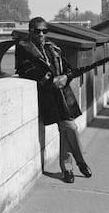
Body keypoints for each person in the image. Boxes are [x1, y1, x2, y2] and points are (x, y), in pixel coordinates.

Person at [15, 17, 92, 183]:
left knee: (65, 131)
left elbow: (69, 68)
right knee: (70, 127)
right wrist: (50, 80)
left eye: (44, 31)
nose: (41, 34)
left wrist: (65, 76)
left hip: (64, 95)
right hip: (47, 97)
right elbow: (25, 69)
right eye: (37, 31)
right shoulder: (23, 48)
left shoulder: (53, 48)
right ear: (30, 31)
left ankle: (67, 169)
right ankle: (81, 162)